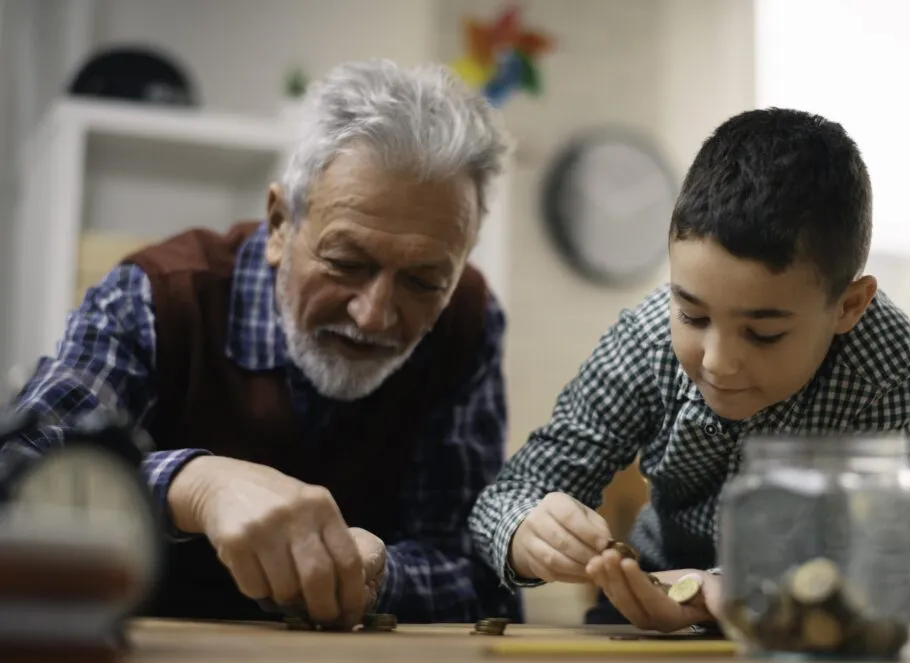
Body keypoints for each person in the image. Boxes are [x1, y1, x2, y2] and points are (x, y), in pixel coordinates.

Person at [0, 59, 521, 629]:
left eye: (424, 281)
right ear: (279, 225)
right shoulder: (157, 297)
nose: (373, 315)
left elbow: (481, 573)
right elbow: (18, 466)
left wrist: (377, 574)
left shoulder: (468, 321)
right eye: (347, 263)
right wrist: (195, 484)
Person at [468, 108, 910, 632]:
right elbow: (509, 495)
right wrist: (524, 531)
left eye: (763, 332)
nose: (717, 361)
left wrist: (732, 585)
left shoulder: (891, 368)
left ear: (849, 307)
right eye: (692, 315)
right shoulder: (647, 339)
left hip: (813, 609)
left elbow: (872, 548)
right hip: (653, 587)